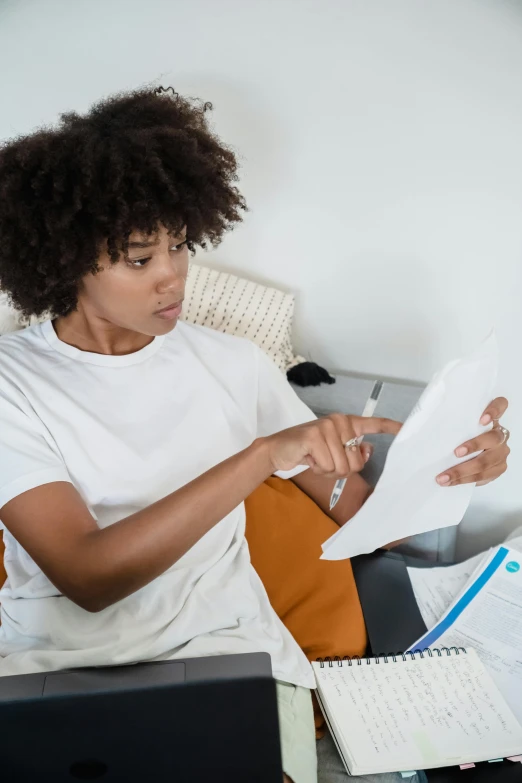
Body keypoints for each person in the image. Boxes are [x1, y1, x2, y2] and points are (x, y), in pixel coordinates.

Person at [0, 87, 510, 783]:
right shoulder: (13, 381)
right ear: (66, 260)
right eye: (139, 258)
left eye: (179, 244)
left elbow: (361, 516)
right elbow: (89, 577)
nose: (173, 275)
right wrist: (262, 455)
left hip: (232, 660)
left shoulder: (232, 363)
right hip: (52, 671)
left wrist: (450, 467)